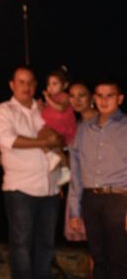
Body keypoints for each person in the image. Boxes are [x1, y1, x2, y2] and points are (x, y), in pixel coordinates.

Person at [0, 65, 65, 279]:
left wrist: (56, 139)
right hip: (20, 187)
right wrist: (46, 141)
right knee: (21, 243)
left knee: (45, 244)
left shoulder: (45, 109)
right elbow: (9, 141)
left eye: (31, 82)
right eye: (21, 82)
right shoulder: (4, 110)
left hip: (51, 187)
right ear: (12, 85)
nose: (26, 86)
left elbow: (62, 135)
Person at [68, 79, 126, 279]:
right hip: (91, 198)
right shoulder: (84, 129)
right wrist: (74, 211)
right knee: (99, 259)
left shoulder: (125, 128)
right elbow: (76, 173)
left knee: (118, 259)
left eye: (109, 95)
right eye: (100, 95)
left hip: (118, 199)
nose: (104, 100)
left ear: (120, 98)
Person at [63, 81, 97, 243]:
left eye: (81, 95)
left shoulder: (103, 122)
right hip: (80, 189)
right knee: (94, 245)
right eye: (72, 96)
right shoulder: (75, 127)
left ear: (91, 97)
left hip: (103, 191)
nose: (76, 100)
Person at [40, 68, 76, 183]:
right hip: (52, 130)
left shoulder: (64, 96)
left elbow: (60, 108)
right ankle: (65, 171)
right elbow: (46, 112)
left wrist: (48, 99)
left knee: (38, 137)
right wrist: (41, 106)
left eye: (55, 84)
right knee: (57, 150)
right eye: (49, 84)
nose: (50, 87)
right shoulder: (52, 99)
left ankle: (53, 157)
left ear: (65, 85)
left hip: (61, 129)